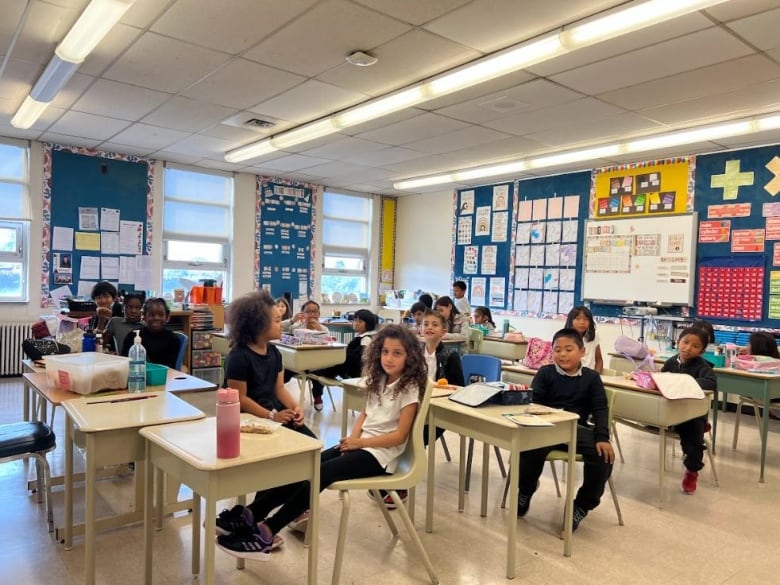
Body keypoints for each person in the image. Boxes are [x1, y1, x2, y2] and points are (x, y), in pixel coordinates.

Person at [216, 325, 427, 560]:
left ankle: (266, 533)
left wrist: (359, 444)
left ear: (410, 357)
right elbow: (366, 415)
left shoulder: (409, 388)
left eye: (397, 353)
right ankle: (250, 515)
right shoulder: (378, 380)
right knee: (305, 465)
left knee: (320, 473)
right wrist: (354, 438)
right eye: (385, 351)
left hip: (381, 456)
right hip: (361, 446)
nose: (389, 358)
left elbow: (399, 437)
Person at [212, 290, 315, 548]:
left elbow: (279, 389)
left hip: (273, 416)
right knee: (293, 463)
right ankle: (266, 515)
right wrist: (272, 415)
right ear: (259, 325)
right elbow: (241, 399)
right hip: (250, 421)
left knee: (314, 452)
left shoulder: (275, 352)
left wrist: (295, 407)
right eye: (277, 321)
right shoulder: (238, 356)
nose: (282, 324)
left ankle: (262, 512)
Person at [517, 328, 615, 531]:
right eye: (557, 350)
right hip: (548, 428)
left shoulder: (591, 378)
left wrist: (603, 437)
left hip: (577, 429)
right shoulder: (546, 373)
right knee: (528, 447)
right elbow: (535, 404)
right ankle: (525, 490)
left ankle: (582, 505)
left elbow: (600, 409)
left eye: (568, 349)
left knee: (602, 456)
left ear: (582, 352)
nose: (562, 354)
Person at [660, 327, 717, 495]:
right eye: (685, 342)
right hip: (670, 411)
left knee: (693, 441)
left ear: (702, 351)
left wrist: (684, 382)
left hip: (691, 415)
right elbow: (662, 379)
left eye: (695, 346)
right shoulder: (671, 362)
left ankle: (692, 471)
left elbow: (711, 383)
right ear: (678, 342)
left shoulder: (703, 366)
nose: (688, 348)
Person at [308, 309, 378, 405]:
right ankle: (317, 389)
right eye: (355, 320)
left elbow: (357, 360)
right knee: (321, 367)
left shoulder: (366, 339)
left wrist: (340, 355)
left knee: (320, 368)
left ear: (368, 324)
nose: (356, 323)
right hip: (346, 367)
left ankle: (316, 383)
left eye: (360, 321)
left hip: (352, 372)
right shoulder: (361, 337)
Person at [285, 300, 330, 409]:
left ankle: (318, 396)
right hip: (297, 363)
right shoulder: (297, 327)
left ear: (319, 314)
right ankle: (276, 394)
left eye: (315, 312)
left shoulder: (323, 329)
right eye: (308, 312)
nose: (312, 315)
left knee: (319, 371)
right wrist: (292, 320)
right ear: (302, 314)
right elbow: (281, 328)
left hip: (315, 363)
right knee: (283, 369)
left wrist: (319, 329)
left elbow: (328, 341)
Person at [119, 297, 180, 369]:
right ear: (144, 316)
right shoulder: (132, 336)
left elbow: (171, 367)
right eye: (151, 315)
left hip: (163, 377)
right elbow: (124, 362)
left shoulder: (172, 339)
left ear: (167, 317)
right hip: (137, 376)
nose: (156, 318)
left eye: (161, 315)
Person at [565, 306, 603, 373]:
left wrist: (596, 375)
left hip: (589, 376)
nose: (582, 322)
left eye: (586, 319)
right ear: (571, 320)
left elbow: (599, 360)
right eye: (578, 319)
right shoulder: (564, 338)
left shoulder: (593, 337)